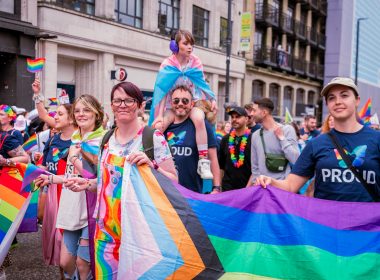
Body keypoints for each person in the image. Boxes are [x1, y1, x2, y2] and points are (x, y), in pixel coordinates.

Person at [64, 81, 177, 279]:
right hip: (105, 233)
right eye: (117, 101)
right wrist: (88, 184)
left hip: (140, 233)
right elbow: (106, 183)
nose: (122, 105)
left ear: (140, 105)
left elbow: (174, 182)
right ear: (112, 105)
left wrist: (153, 167)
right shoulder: (106, 139)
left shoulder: (153, 138)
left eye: (129, 100)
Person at [256, 77, 380, 202]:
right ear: (327, 104)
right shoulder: (316, 144)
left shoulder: (377, 139)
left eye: (344, 95)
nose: (337, 101)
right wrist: (270, 181)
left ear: (357, 100)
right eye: (331, 98)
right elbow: (290, 185)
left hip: (368, 221)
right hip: (325, 220)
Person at [37, 95, 105, 279]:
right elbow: (73, 176)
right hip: (72, 207)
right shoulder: (76, 138)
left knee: (83, 264)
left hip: (92, 209)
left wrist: (75, 158)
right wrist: (51, 179)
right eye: (78, 110)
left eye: (87, 110)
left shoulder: (101, 141)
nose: (81, 114)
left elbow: (96, 178)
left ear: (97, 113)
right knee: (65, 262)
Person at [149, 29, 216, 180]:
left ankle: (203, 162)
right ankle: (152, 161)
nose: (190, 47)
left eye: (191, 44)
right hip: (170, 105)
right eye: (185, 43)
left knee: (199, 118)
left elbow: (201, 83)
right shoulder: (167, 64)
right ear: (175, 45)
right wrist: (159, 116)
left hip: (192, 103)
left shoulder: (195, 61)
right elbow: (162, 91)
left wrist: (212, 99)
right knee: (158, 128)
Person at [164, 84, 221, 193]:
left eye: (185, 101)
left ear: (191, 104)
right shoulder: (164, 126)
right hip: (166, 192)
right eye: (176, 101)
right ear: (171, 103)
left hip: (192, 192)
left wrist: (216, 188)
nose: (180, 104)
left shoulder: (202, 126)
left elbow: (213, 158)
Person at [247, 98, 299, 186]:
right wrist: (256, 184)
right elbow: (255, 167)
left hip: (282, 189)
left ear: (264, 113)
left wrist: (282, 138)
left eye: (254, 110)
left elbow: (295, 159)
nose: (251, 114)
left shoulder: (287, 130)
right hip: (262, 189)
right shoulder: (255, 135)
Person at [218, 107, 252, 191]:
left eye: (238, 117)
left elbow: (256, 169)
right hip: (227, 189)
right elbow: (220, 166)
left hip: (246, 189)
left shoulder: (253, 139)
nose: (234, 119)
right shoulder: (225, 139)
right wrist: (218, 187)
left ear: (246, 119)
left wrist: (247, 190)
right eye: (232, 117)